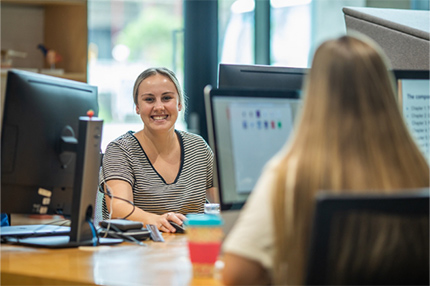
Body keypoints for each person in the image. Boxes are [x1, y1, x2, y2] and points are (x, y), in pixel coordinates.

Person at [221, 34, 430, 285]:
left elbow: (235, 275)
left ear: (315, 95)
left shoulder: (290, 176)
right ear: (385, 91)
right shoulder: (419, 171)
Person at [100, 67, 217, 233]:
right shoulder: (121, 150)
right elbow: (118, 209)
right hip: (139, 251)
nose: (159, 107)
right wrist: (156, 220)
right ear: (137, 107)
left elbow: (223, 205)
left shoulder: (198, 147)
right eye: (149, 99)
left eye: (167, 98)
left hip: (191, 247)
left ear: (179, 104)